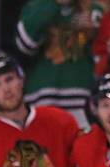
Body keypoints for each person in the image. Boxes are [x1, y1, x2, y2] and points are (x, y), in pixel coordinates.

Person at [15, 0, 103, 128]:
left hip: (81, 100)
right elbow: (25, 44)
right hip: (41, 99)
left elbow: (102, 54)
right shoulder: (35, 7)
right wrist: (52, 5)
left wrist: (89, 33)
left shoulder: (92, 9)